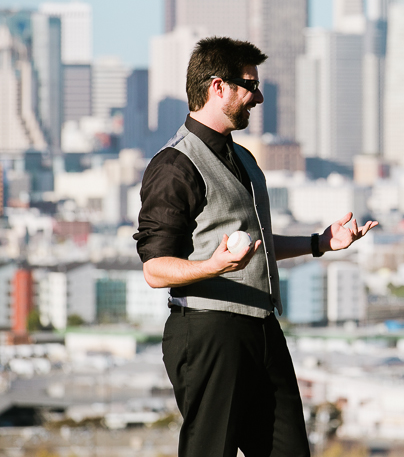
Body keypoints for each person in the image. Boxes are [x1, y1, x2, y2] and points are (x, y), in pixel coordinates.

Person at [135, 36, 377, 457]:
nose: (258, 96)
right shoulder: (174, 165)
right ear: (217, 87)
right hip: (209, 332)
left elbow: (257, 246)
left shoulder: (245, 159)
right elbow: (155, 269)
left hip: (263, 328)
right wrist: (214, 266)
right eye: (249, 84)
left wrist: (319, 243)